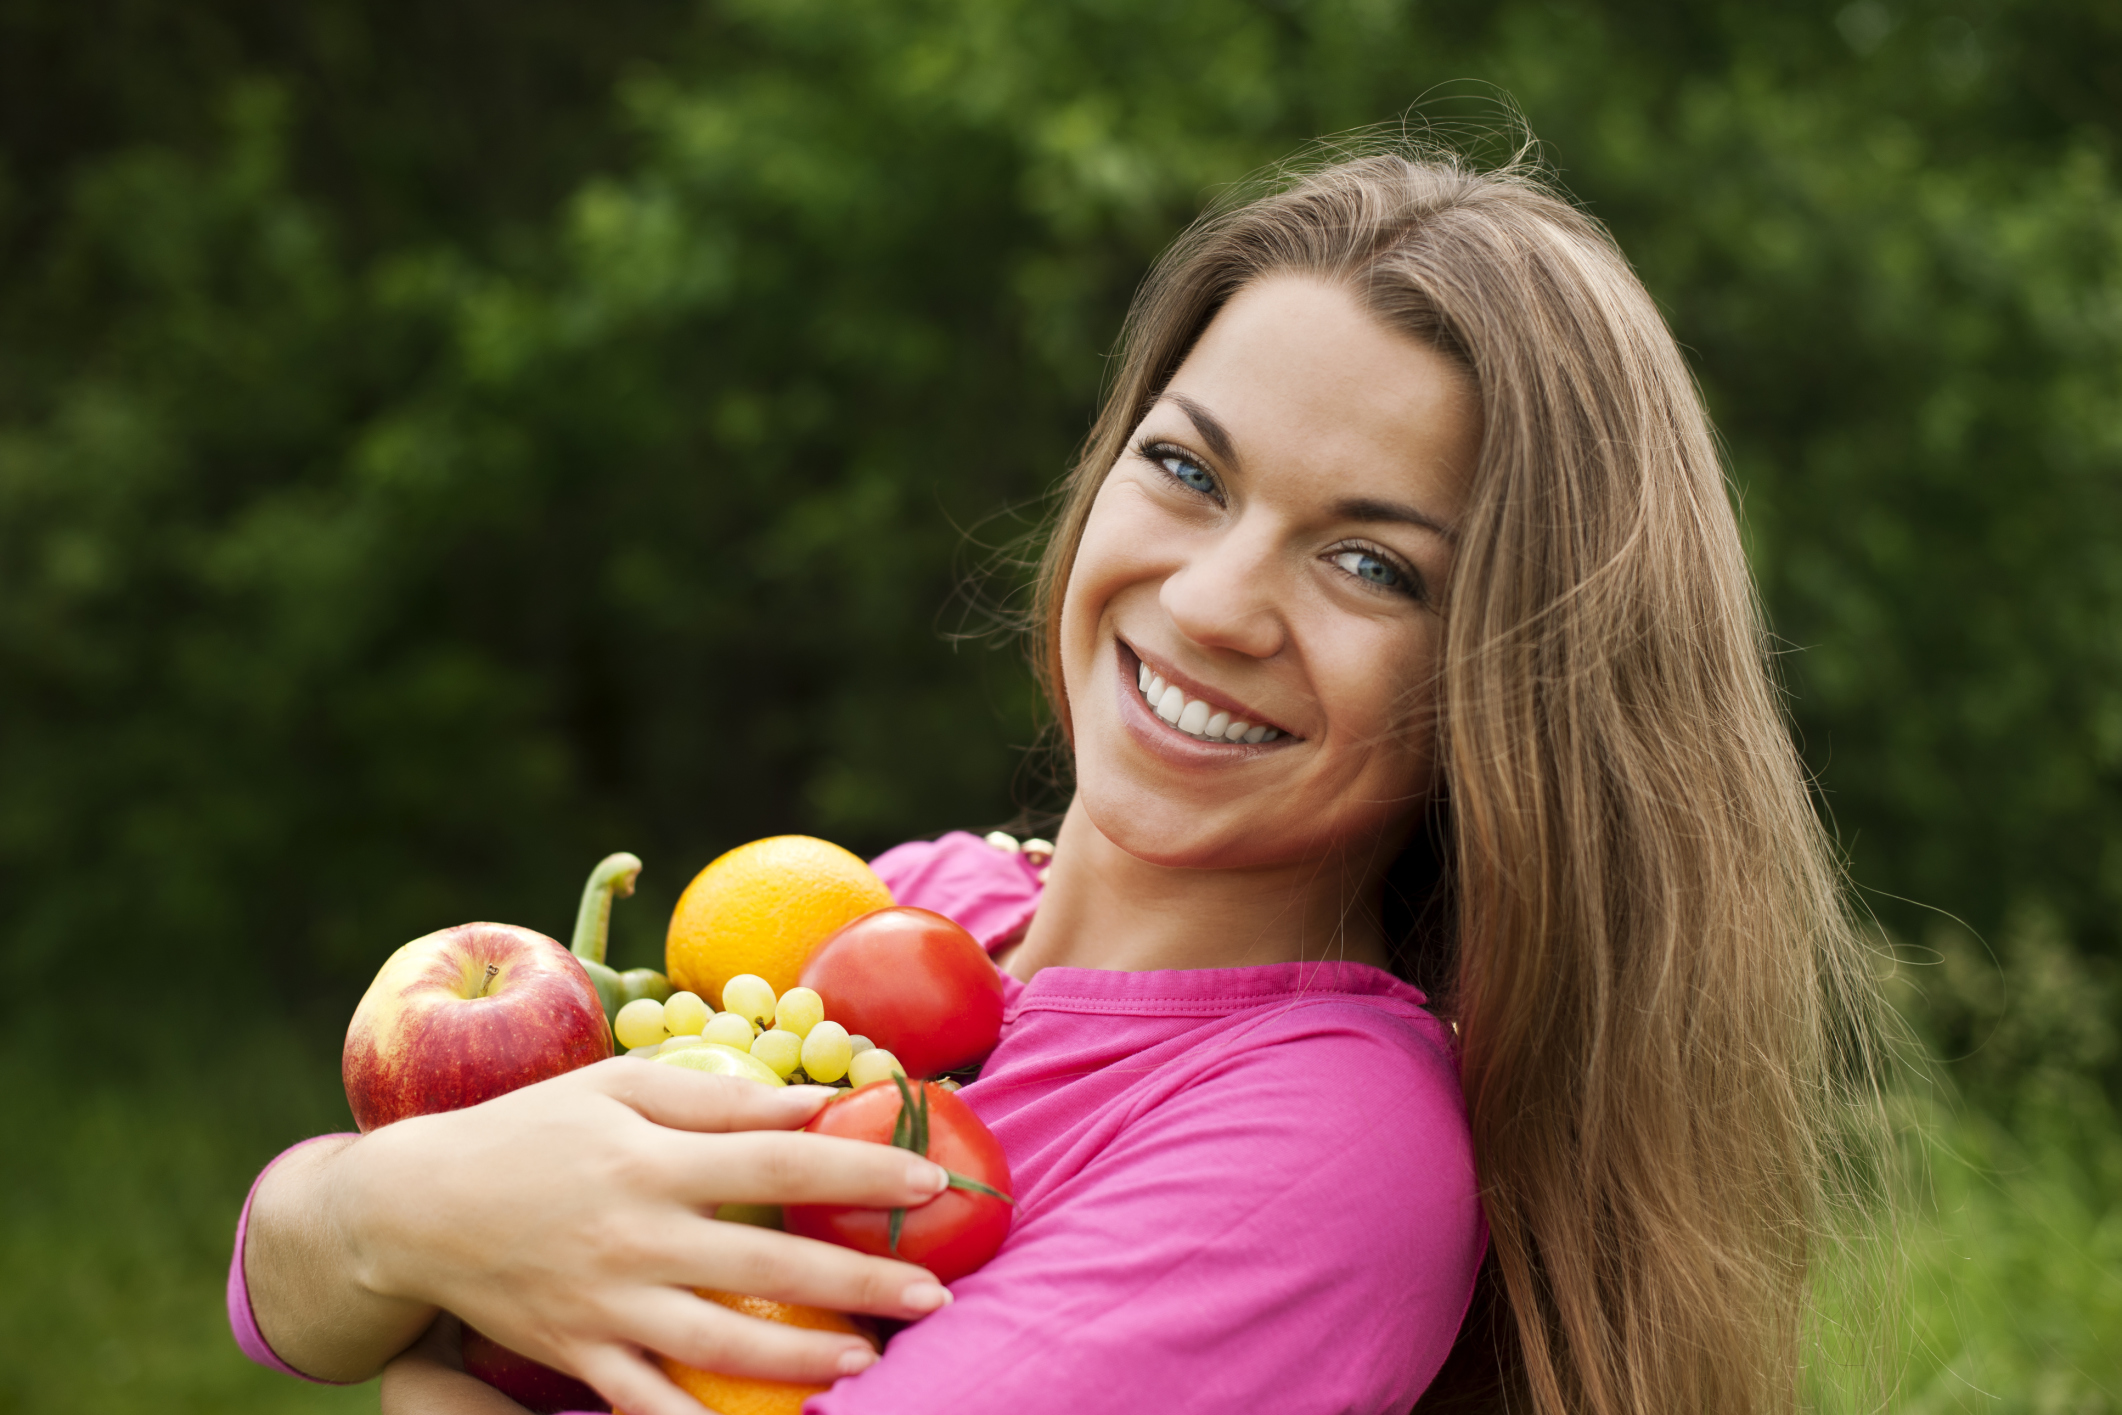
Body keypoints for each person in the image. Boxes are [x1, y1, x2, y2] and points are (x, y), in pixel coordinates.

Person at [232, 145, 1884, 1415]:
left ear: (1513, 684)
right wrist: (397, 1220)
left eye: (1372, 566)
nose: (1216, 600)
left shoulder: (1328, 1146)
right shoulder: (908, 909)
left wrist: (425, 1328)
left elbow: (388, 1311)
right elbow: (276, 1278)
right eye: (1186, 470)